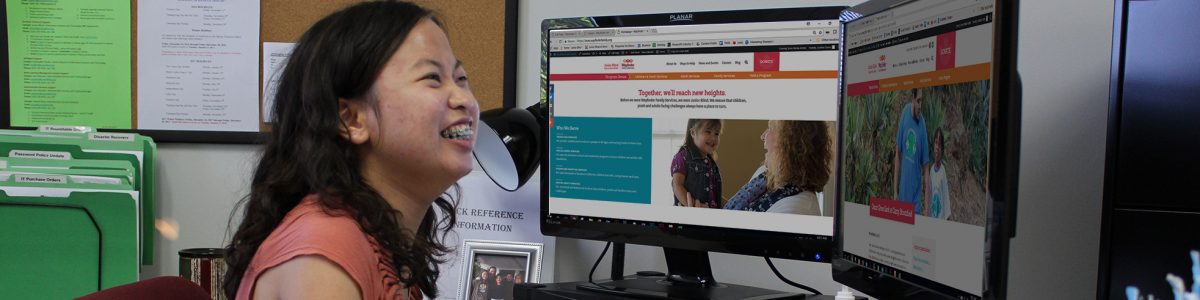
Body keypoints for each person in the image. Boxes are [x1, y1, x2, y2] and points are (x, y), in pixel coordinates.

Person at [221, 2, 478, 299]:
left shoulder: (381, 241)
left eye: (461, 79)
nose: (464, 99)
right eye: (432, 78)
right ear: (351, 119)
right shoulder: (323, 256)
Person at [724, 121, 831, 215]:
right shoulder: (765, 175)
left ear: (792, 142)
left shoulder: (796, 210)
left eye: (771, 128)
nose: (762, 136)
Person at [670, 119, 725, 208]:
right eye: (708, 131)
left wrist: (731, 204)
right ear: (693, 133)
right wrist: (693, 205)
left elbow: (714, 194)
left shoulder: (711, 163)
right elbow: (677, 185)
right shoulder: (683, 156)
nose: (713, 138)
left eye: (716, 133)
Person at [894, 89, 930, 215]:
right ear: (913, 99)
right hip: (901, 200)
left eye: (922, 101)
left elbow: (926, 167)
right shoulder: (905, 113)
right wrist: (895, 191)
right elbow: (898, 153)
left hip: (915, 206)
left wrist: (926, 207)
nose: (920, 106)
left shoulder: (922, 125)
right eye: (918, 101)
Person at [925, 128, 951, 219]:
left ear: (942, 149)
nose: (937, 147)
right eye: (936, 143)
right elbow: (929, 196)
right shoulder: (931, 171)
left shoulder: (943, 172)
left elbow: (946, 198)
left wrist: (947, 218)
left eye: (940, 145)